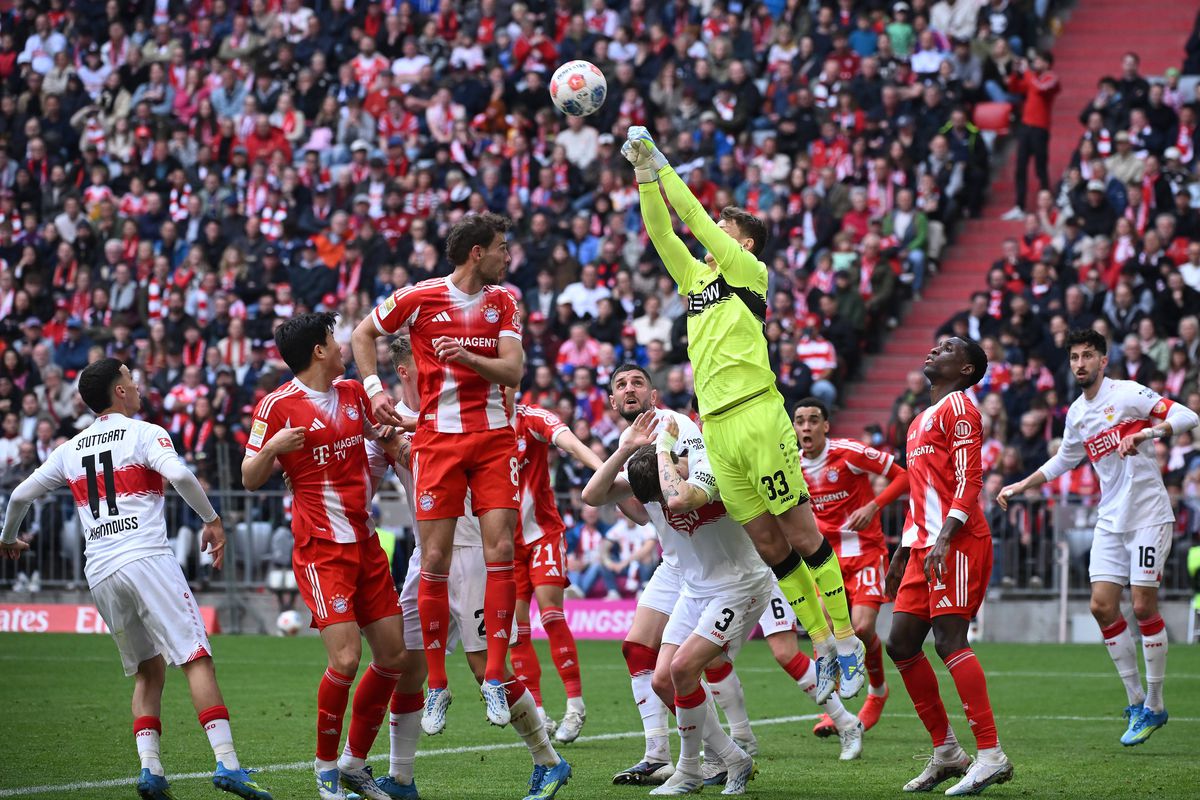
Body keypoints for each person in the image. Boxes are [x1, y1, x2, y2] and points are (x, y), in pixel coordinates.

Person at [622, 126, 866, 697]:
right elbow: (663, 232)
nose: (713, 237)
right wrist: (642, 177)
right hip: (719, 429)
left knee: (803, 535)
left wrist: (661, 162)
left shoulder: (747, 275)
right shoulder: (696, 281)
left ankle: (848, 639)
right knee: (769, 543)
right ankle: (823, 645)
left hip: (757, 415)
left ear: (744, 244)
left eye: (726, 231)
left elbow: (694, 219)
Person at [0, 358, 270, 800]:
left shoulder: (71, 448)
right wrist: (212, 519)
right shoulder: (145, 433)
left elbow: (18, 495)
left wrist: (8, 539)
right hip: (145, 557)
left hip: (100, 570)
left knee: (148, 671)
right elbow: (181, 474)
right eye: (130, 377)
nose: (137, 382)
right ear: (119, 391)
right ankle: (228, 763)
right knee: (196, 656)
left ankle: (151, 771)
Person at [376, 336, 571, 800]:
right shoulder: (393, 417)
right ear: (407, 371)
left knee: (487, 669)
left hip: (471, 555)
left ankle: (549, 761)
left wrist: (396, 444)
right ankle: (401, 777)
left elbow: (415, 449)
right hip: (428, 558)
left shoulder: (458, 411)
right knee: (406, 666)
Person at [351, 212, 524, 729]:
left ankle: (493, 678)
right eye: (500, 247)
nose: (506, 256)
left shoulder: (504, 301)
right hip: (438, 441)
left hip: (493, 438)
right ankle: (438, 687)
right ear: (477, 253)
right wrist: (375, 390)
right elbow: (363, 335)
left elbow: (513, 370)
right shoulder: (419, 296)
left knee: (501, 551)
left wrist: (468, 358)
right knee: (434, 559)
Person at [998, 329, 1199, 746]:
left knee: (1143, 605)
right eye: (1074, 357)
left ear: (1103, 361)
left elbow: (1186, 416)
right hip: (1110, 519)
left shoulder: (1127, 393)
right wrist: (1022, 485)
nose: (1080, 364)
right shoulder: (1076, 414)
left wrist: (1146, 433)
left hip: (1148, 515)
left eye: (1088, 355)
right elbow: (1064, 460)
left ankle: (1157, 704)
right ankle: (1137, 701)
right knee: (1102, 606)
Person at [241, 313, 406, 800]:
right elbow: (250, 477)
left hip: (365, 543)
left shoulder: (354, 394)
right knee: (348, 658)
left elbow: (384, 434)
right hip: (321, 551)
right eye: (335, 341)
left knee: (393, 656)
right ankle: (325, 769)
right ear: (318, 350)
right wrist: (272, 447)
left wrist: (391, 438)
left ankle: (355, 763)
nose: (342, 349)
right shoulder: (276, 406)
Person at [581, 364, 759, 787]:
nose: (629, 390)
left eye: (637, 383)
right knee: (649, 662)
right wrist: (624, 450)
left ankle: (727, 751)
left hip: (725, 573)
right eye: (620, 385)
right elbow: (597, 497)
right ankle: (671, 754)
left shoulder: (675, 426)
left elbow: (681, 495)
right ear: (611, 400)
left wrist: (662, 452)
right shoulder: (630, 443)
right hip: (681, 566)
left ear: (654, 395)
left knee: (693, 667)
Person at [884, 336, 1013, 796]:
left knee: (949, 638)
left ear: (965, 370)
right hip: (924, 545)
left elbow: (969, 477)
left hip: (957, 541)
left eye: (947, 348)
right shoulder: (919, 420)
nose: (933, 350)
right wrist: (904, 547)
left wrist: (944, 536)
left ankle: (991, 754)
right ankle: (947, 752)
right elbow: (923, 494)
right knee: (899, 643)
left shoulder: (963, 407)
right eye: (935, 346)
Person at [792, 398, 910, 736]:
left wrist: (874, 505)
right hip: (824, 559)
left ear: (826, 426)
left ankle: (877, 692)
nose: (806, 427)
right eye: (800, 421)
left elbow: (903, 477)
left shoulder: (849, 452)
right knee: (824, 632)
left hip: (865, 552)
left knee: (860, 628)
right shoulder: (791, 464)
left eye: (814, 420)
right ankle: (839, 714)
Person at [508, 398, 606, 744]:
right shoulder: (478, 423)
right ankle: (536, 710)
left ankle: (575, 706)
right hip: (505, 543)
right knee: (516, 631)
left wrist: (605, 470)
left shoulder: (530, 417)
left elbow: (570, 442)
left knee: (550, 615)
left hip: (543, 534)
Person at [1001, 51, 1060, 220]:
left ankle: (1047, 205)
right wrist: (1014, 72)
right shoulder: (1032, 77)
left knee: (1040, 168)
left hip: (1040, 128)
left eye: (1039, 60)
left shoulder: (1051, 78)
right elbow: (1015, 88)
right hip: (1026, 126)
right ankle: (1019, 206)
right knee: (1020, 167)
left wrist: (1026, 71)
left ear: (1048, 64)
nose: (1036, 62)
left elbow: (1039, 88)